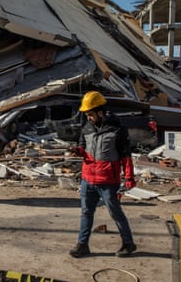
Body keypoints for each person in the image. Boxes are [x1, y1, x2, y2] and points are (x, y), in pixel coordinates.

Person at [69, 91, 137, 258]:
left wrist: (129, 177)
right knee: (86, 212)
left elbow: (125, 155)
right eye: (87, 115)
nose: (88, 118)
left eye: (91, 114)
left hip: (108, 181)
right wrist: (76, 151)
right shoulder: (86, 128)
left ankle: (128, 244)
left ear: (101, 112)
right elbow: (83, 147)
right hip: (88, 179)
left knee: (115, 213)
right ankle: (82, 245)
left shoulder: (117, 129)